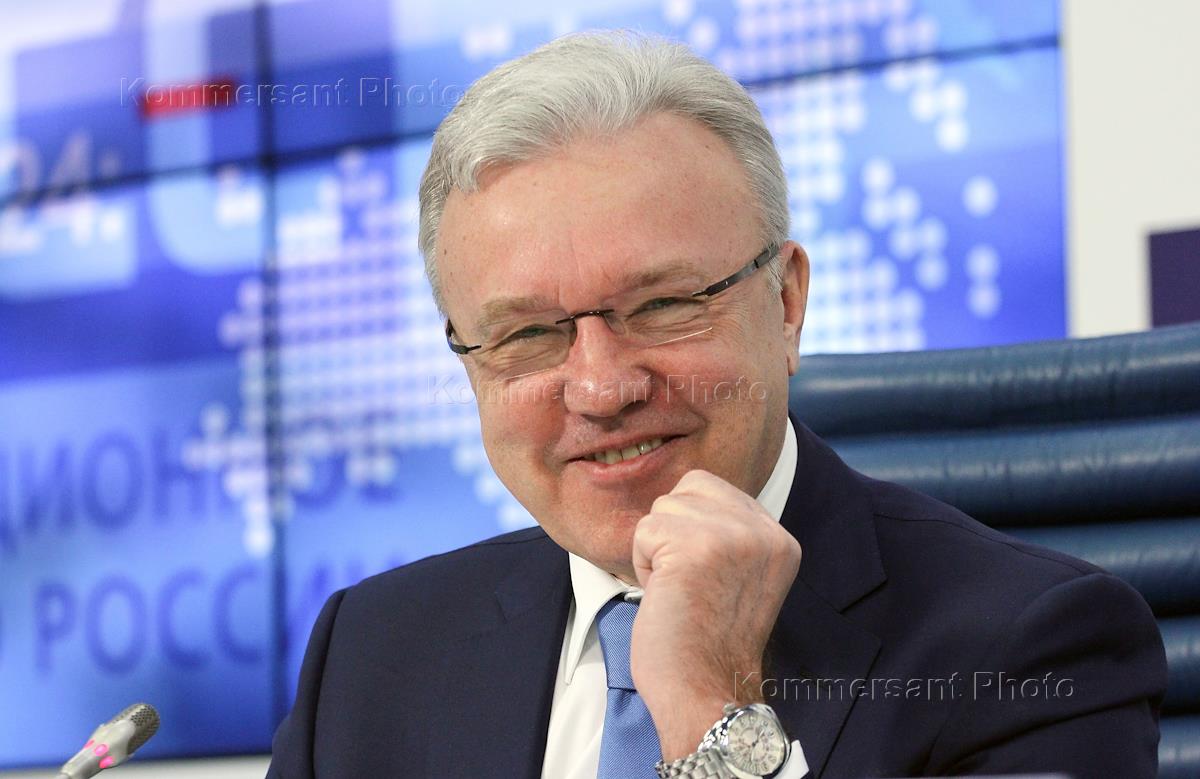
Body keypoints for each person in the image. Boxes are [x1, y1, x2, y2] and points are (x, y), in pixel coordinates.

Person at [266, 31, 1166, 778]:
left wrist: (711, 707)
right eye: (529, 333)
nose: (601, 387)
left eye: (663, 305)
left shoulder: (1033, 649)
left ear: (787, 304)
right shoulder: (370, 655)